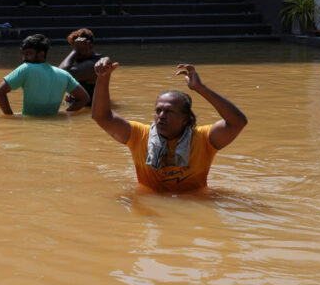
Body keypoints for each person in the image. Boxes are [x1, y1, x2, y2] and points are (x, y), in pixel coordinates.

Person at [91, 60, 248, 193]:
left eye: (169, 111)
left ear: (186, 119)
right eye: (158, 110)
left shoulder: (204, 139)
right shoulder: (139, 135)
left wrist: (200, 88)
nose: (161, 116)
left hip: (193, 204)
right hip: (150, 209)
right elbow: (102, 117)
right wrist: (103, 78)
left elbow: (238, 122)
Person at [0, 34, 89, 115]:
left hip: (30, 127)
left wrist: (11, 117)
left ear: (41, 54)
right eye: (23, 54)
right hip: (54, 127)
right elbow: (84, 99)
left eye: (28, 53)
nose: (24, 58)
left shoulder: (26, 68)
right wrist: (65, 113)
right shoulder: (64, 74)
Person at [58, 28, 102, 105]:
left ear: (90, 46)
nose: (76, 53)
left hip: (86, 111)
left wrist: (75, 50)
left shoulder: (95, 64)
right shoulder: (82, 59)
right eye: (73, 47)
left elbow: (61, 74)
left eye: (79, 48)